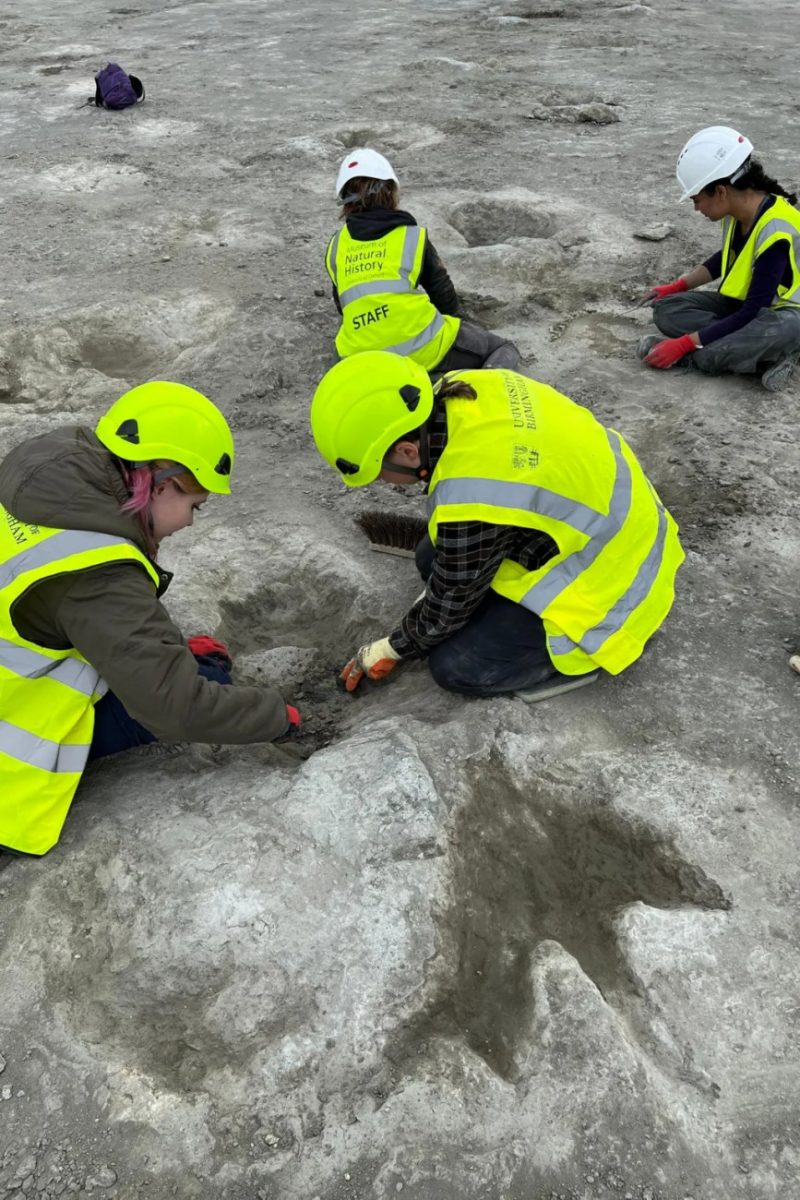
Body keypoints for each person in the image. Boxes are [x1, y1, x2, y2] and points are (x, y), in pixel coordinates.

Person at [0, 381, 299, 857]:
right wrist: (276, 716)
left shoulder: (48, 464)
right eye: (194, 506)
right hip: (9, 766)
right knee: (207, 681)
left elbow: (88, 614)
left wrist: (168, 649)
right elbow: (175, 707)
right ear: (162, 485)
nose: (190, 522)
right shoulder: (98, 573)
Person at [310, 352, 685, 700]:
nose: (383, 483)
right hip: (608, 521)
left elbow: (448, 604)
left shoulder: (474, 491)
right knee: (430, 557)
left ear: (408, 452)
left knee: (456, 667)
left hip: (614, 583)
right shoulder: (467, 387)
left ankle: (576, 661)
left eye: (380, 473)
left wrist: (392, 648)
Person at [324, 147, 520, 377]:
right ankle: (476, 386)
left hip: (360, 359)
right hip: (422, 349)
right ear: (390, 191)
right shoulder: (411, 237)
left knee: (341, 357)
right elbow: (443, 294)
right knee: (502, 348)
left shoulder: (336, 246)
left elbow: (343, 306)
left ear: (345, 202)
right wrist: (453, 329)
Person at [636, 126, 800, 391]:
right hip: (743, 307)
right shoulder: (739, 212)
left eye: (697, 199)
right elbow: (727, 256)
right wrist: (678, 286)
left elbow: (753, 311)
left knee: (779, 331)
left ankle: (713, 355)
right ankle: (755, 353)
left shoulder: (776, 230)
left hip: (783, 315)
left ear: (721, 191)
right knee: (666, 310)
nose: (696, 208)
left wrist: (684, 345)